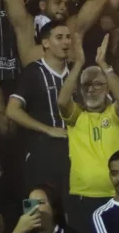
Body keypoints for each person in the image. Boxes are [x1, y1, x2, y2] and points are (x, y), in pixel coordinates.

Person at [58, 35, 119, 233]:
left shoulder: (113, 116)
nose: (91, 89)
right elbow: (62, 101)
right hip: (81, 197)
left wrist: (103, 64)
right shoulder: (76, 117)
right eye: (86, 85)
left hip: (113, 195)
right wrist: (79, 63)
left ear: (107, 88)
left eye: (97, 84)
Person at [6, 20, 72, 192]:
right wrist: (48, 129)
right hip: (43, 149)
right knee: (42, 205)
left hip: (75, 149)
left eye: (68, 37)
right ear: (45, 43)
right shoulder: (33, 72)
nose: (66, 42)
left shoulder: (76, 71)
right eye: (59, 37)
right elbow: (12, 110)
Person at [0, 183, 96, 233]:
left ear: (54, 208)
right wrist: (19, 230)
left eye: (40, 203)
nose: (35, 208)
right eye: (30, 203)